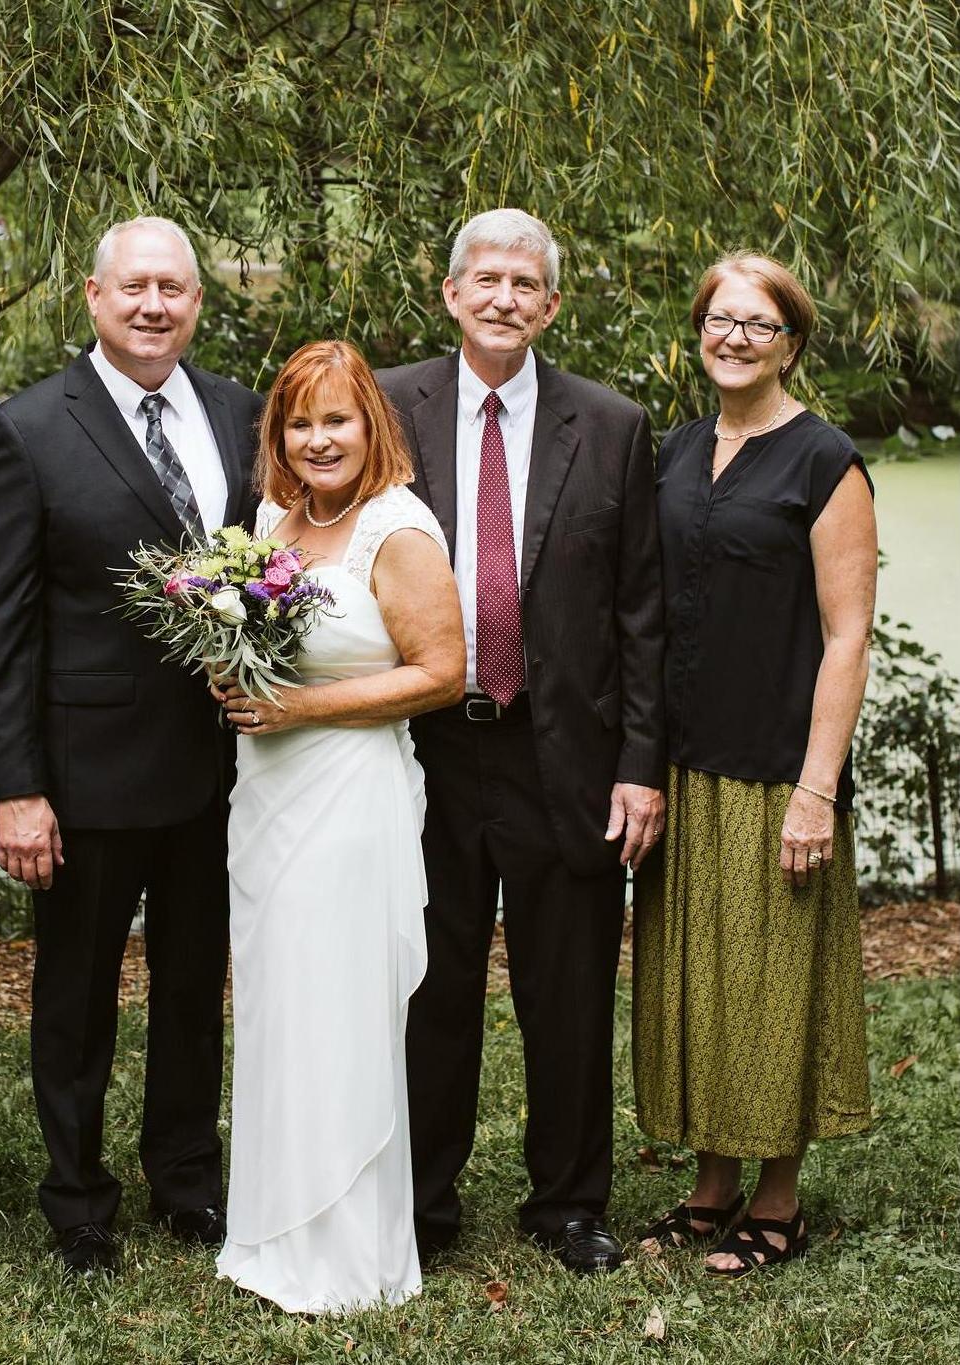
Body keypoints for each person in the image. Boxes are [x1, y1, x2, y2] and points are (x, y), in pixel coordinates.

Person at [0, 216, 263, 1274]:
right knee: (77, 996)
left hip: (222, 769)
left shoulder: (240, 412)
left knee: (193, 986)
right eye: (133, 287)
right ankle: (78, 1198)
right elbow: (0, 626)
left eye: (172, 288)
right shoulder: (26, 429)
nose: (153, 305)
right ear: (93, 297)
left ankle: (185, 1178)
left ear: (196, 302)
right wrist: (17, 788)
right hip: (85, 774)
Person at [378, 208, 667, 1274]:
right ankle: (420, 1204)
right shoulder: (387, 407)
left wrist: (639, 767)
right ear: (451, 294)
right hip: (424, 748)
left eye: (524, 284)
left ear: (550, 305)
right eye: (486, 279)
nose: (504, 298)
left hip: (566, 751)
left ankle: (570, 1204)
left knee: (569, 986)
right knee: (429, 981)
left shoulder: (613, 426)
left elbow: (642, 612)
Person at [632, 252, 876, 1276]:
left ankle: (778, 1201)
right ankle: (710, 1185)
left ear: (790, 343)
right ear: (700, 331)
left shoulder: (825, 462)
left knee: (774, 982)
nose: (734, 338)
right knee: (696, 979)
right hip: (685, 765)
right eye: (719, 320)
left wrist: (817, 789)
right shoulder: (677, 450)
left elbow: (848, 636)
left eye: (757, 324)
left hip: (778, 768)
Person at [211, 340, 465, 1313]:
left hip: (350, 796)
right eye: (299, 423)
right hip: (266, 797)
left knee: (342, 1009)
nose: (317, 440)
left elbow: (441, 674)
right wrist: (226, 663)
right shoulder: (271, 522)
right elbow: (257, 657)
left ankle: (350, 1252)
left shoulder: (398, 529)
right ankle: (273, 1230)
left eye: (336, 420)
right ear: (277, 437)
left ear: (371, 426)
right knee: (280, 1005)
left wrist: (298, 708)